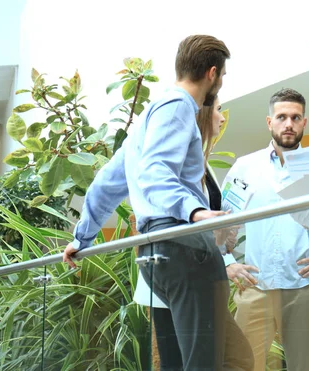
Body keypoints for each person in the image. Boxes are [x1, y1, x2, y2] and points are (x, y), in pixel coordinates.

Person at [63, 35, 253, 371]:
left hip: (154, 253)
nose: (220, 83)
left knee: (176, 366)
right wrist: (193, 210)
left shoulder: (144, 124)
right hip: (185, 247)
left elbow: (106, 185)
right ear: (212, 73)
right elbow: (156, 172)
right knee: (203, 365)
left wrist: (83, 237)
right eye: (222, 77)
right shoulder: (180, 106)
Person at [133, 96, 242, 370]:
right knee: (176, 362)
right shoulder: (177, 161)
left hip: (198, 270)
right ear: (204, 115)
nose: (222, 117)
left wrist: (225, 240)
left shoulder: (204, 165)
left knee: (198, 360)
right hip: (175, 268)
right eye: (218, 110)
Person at [221, 88, 309, 371]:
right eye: (281, 117)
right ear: (270, 122)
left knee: (302, 367)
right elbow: (221, 221)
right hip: (256, 286)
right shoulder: (246, 167)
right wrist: (227, 263)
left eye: (295, 117)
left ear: (305, 122)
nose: (288, 123)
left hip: (303, 287)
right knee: (243, 365)